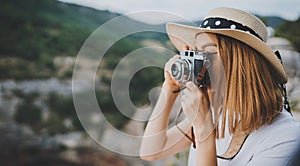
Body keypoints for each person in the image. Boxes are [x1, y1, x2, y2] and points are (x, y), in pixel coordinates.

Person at [139, 7, 300, 165]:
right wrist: (170, 87)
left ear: (241, 62)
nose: (200, 64)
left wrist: (204, 130)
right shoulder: (220, 111)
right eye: (197, 53)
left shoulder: (284, 135)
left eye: (207, 53)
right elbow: (151, 151)